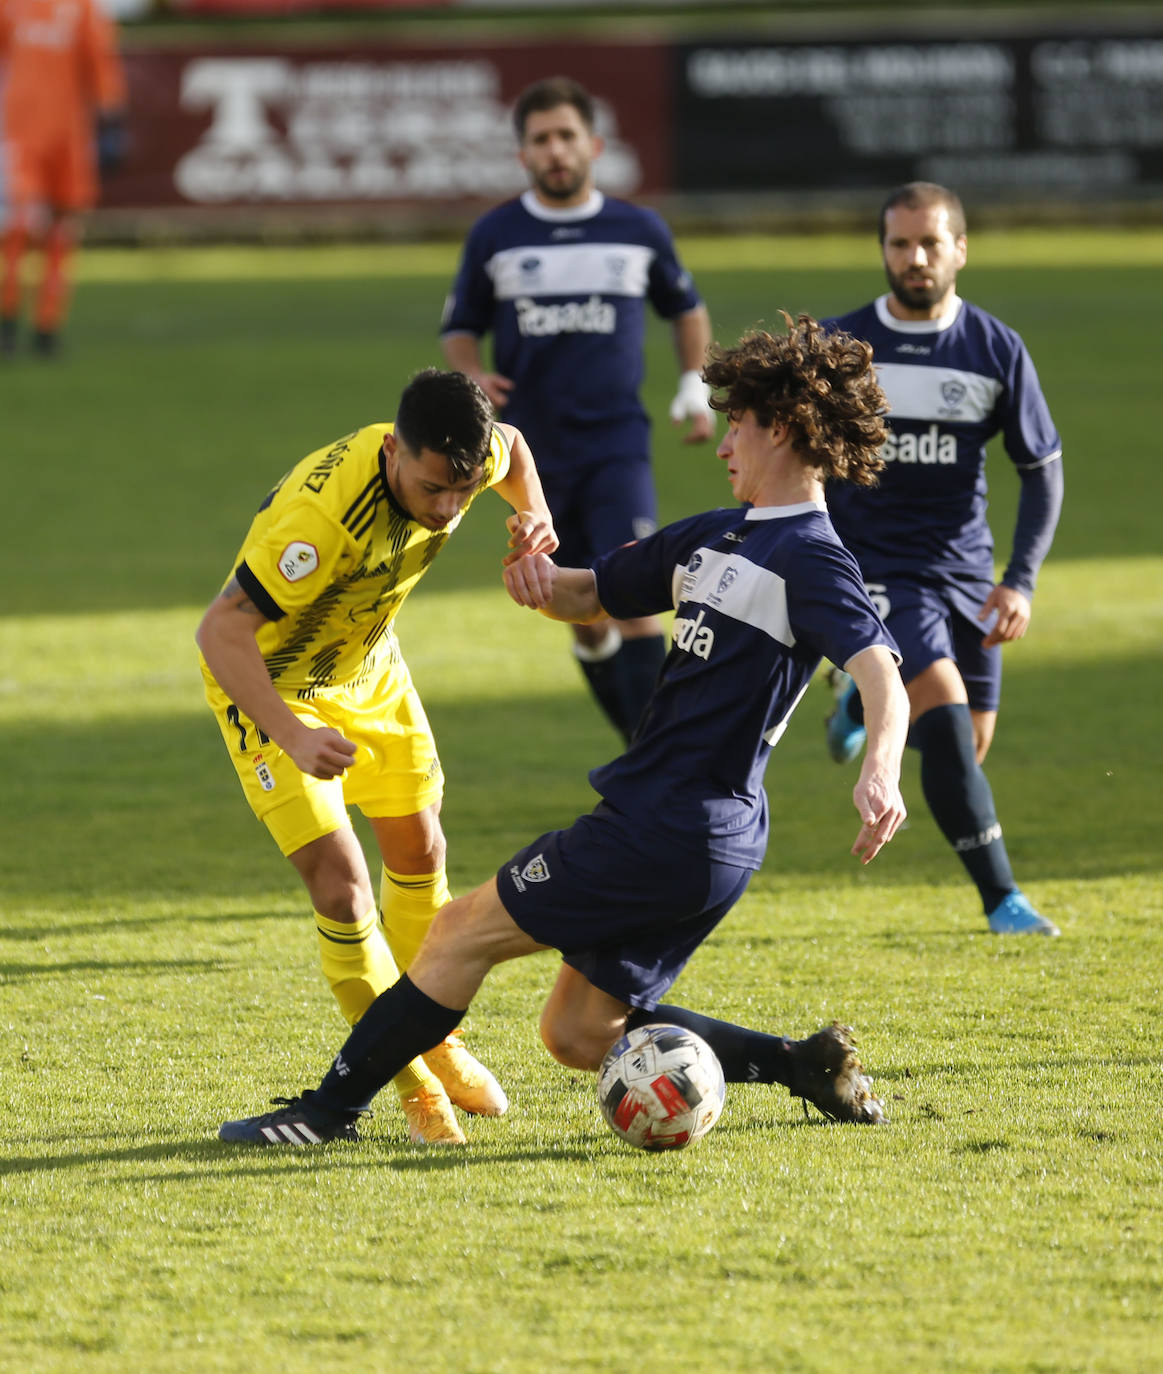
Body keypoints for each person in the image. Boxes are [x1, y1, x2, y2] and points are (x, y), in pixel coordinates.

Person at [215, 316, 911, 1149]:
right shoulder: (713, 537)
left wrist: (879, 770)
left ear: (785, 431)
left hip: (666, 824)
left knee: (456, 932)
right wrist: (534, 569)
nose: (723, 443)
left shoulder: (811, 558)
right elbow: (587, 594)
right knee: (577, 1036)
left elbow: (878, 670)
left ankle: (327, 1113)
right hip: (706, 840)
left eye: (738, 425)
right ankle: (799, 1063)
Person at [196, 368, 559, 1145]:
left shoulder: (470, 456)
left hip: (367, 670)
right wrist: (291, 735)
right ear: (393, 451)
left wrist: (534, 518)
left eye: (461, 492)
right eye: (432, 489)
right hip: (273, 686)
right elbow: (220, 632)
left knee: (422, 847)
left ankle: (439, 1036)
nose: (447, 508)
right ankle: (408, 1078)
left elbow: (518, 450)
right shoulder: (319, 520)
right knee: (340, 883)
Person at [441, 75, 715, 746]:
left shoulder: (637, 229)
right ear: (522, 156)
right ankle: (643, 752)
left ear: (592, 145)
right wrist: (471, 374)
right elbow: (459, 326)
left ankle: (658, 760)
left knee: (635, 592)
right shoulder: (496, 235)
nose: (555, 151)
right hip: (529, 457)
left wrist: (691, 383)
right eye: (541, 140)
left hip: (616, 443)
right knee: (581, 615)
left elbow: (685, 310)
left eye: (566, 137)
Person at [822, 182, 1064, 938]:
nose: (915, 258)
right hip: (877, 571)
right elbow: (790, 450)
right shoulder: (844, 349)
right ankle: (1003, 901)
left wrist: (1018, 581)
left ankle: (858, 703)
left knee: (965, 747)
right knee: (950, 730)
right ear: (883, 251)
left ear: (959, 249)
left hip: (966, 574)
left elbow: (1042, 468)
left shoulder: (994, 349)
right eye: (900, 244)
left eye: (930, 243)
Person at [0, 0, 127, 357]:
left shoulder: (82, 7)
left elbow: (100, 61)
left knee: (62, 228)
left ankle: (47, 327)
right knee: (18, 227)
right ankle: (7, 322)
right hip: (18, 132)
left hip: (69, 135)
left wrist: (112, 120)